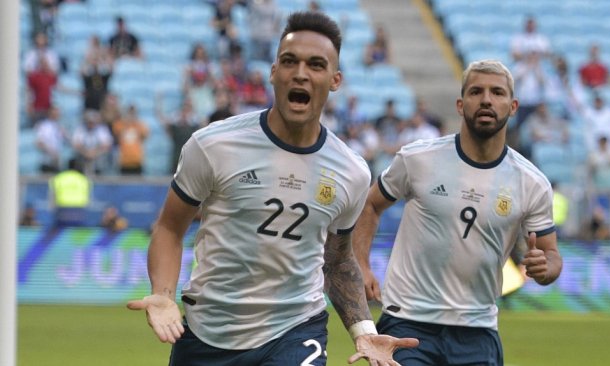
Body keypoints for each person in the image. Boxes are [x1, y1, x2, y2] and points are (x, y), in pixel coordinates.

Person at [127, 11, 418, 366]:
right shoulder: (213, 145)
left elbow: (338, 260)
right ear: (273, 73)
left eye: (315, 65)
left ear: (335, 79)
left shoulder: (351, 171)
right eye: (289, 61)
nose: (300, 73)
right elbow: (170, 227)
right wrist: (162, 294)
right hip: (209, 333)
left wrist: (363, 331)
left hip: (296, 331)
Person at [353, 59, 562, 365]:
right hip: (407, 321)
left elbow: (552, 256)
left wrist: (545, 267)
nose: (487, 99)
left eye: (497, 93)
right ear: (461, 104)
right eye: (477, 92)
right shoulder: (418, 158)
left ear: (513, 106)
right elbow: (370, 205)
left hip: (477, 330)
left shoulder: (531, 182)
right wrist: (362, 263)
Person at [49, 158, 92, 227]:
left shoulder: (59, 177)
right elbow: (87, 198)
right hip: (79, 211)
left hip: (62, 210)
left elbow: (53, 196)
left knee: (61, 232)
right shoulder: (84, 179)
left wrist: (53, 209)